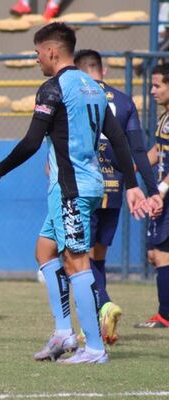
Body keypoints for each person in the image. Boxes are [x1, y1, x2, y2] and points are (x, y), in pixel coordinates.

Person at [0, 23, 151, 364]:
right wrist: (132, 185)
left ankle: (95, 349)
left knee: (76, 261)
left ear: (52, 51)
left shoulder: (53, 88)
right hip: (84, 185)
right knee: (44, 251)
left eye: (38, 52)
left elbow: (31, 142)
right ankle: (63, 333)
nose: (36, 58)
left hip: (71, 189)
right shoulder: (94, 87)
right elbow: (117, 139)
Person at [74, 49, 163, 342]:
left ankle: (99, 311)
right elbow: (137, 149)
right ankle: (102, 314)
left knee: (75, 260)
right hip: (113, 189)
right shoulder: (124, 102)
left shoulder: (73, 96)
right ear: (104, 71)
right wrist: (148, 190)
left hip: (82, 188)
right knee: (97, 257)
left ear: (77, 72)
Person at [135, 64, 169, 329]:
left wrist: (160, 191)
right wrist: (130, 167)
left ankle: (165, 316)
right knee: (155, 255)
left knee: (160, 254)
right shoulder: (164, 117)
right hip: (162, 194)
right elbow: (157, 151)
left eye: (158, 85)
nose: (152, 90)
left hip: (165, 194)